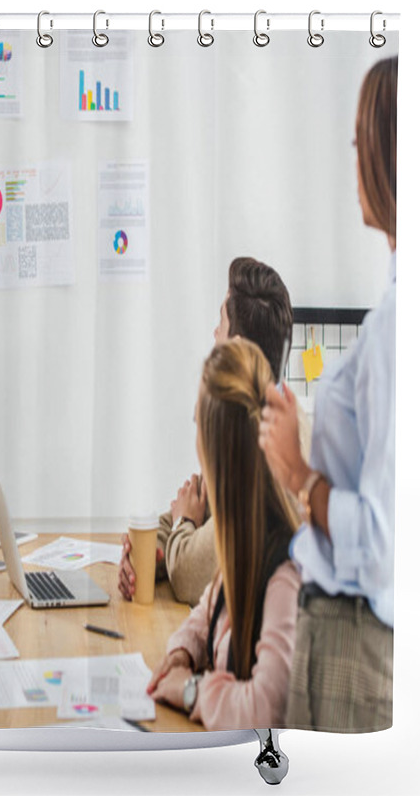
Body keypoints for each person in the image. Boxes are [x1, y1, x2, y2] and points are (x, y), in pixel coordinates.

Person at [258, 56, 398, 732]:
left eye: (359, 144)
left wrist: (298, 472)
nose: (352, 163)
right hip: (340, 637)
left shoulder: (400, 327)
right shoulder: (393, 309)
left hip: (354, 646)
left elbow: (382, 542)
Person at [118, 257, 311, 607]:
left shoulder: (272, 449)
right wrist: (149, 553)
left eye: (219, 325)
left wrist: (180, 530)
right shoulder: (251, 415)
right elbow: (193, 508)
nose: (213, 335)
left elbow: (191, 575)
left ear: (234, 348)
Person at [146, 338, 300, 730]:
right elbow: (208, 612)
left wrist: (193, 690)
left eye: (197, 419)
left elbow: (267, 709)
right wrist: (183, 652)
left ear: (211, 450)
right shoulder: (244, 537)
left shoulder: (284, 571)